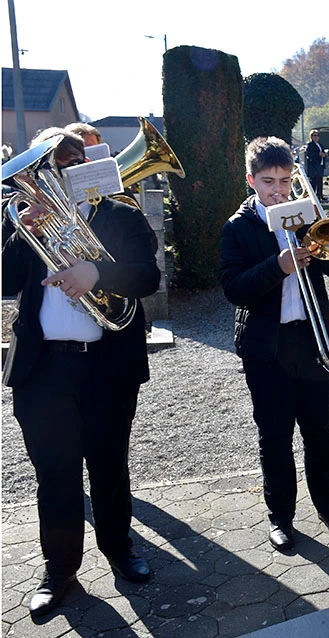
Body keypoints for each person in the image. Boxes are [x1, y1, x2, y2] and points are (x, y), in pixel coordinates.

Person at [2, 128, 160, 616]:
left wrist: (97, 273)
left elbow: (147, 276)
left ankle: (120, 552)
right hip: (44, 369)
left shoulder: (120, 215)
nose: (60, 175)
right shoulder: (23, 222)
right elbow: (6, 284)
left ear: (86, 165)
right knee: (56, 477)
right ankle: (60, 571)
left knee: (110, 470)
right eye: (48, 167)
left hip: (107, 368)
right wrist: (22, 230)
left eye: (70, 162)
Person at [219, 136, 329, 550]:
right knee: (274, 436)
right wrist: (277, 267)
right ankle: (281, 516)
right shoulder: (238, 227)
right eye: (268, 181)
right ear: (251, 180)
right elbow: (233, 288)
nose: (277, 189)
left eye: (284, 179)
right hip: (267, 346)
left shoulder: (306, 214)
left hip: (310, 339)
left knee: (321, 432)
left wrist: (324, 232)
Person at [304, 129, 327, 200]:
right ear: (311, 136)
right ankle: (313, 196)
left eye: (317, 135)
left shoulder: (320, 145)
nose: (316, 137)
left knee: (320, 181)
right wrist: (318, 154)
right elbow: (309, 155)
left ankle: (320, 195)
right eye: (315, 135)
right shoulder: (310, 145)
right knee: (313, 181)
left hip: (320, 164)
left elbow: (324, 153)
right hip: (314, 165)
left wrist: (324, 155)